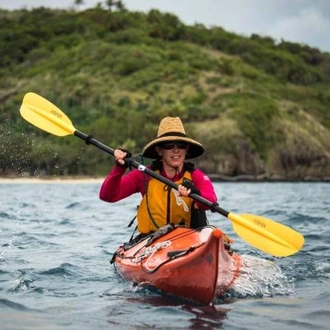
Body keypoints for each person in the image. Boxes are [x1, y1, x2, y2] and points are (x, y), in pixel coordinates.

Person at [99, 116, 218, 237]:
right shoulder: (145, 175)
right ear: (159, 150)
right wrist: (119, 168)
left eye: (181, 145)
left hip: (188, 239)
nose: (176, 150)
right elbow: (107, 196)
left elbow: (212, 201)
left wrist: (196, 193)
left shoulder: (196, 176)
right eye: (169, 145)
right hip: (153, 240)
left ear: (186, 149)